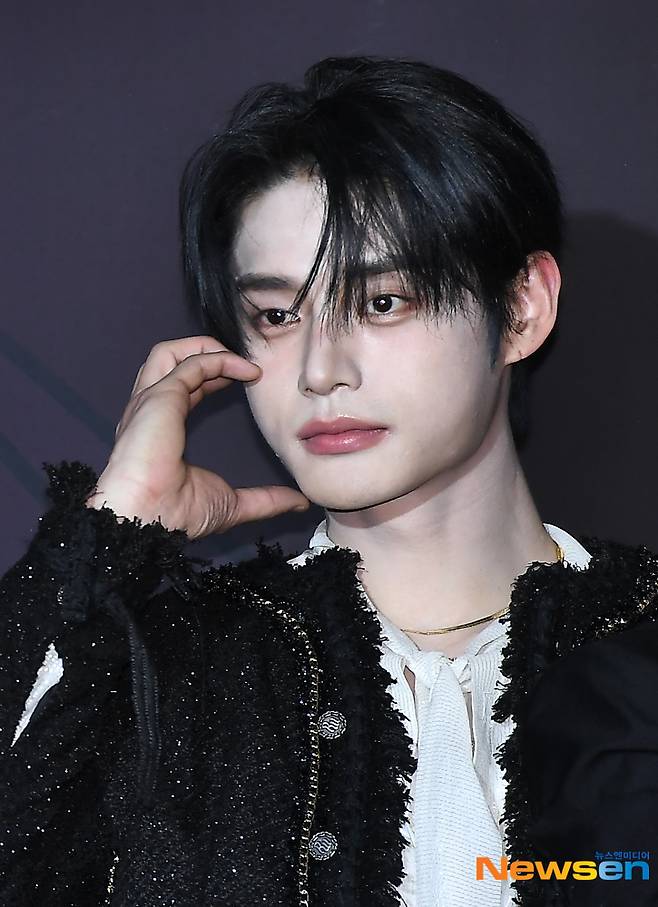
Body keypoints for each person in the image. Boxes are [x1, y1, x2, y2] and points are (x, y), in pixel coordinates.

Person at [1, 55, 657, 907]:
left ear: (521, 307)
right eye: (278, 315)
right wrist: (108, 535)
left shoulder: (641, 641)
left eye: (382, 301)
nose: (320, 369)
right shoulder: (162, 667)